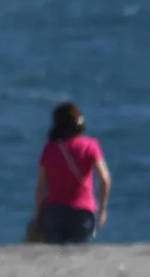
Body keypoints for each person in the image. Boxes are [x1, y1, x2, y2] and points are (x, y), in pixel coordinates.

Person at [33, 103, 111, 245]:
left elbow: (40, 187)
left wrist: (38, 215)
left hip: (53, 211)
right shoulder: (90, 146)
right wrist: (102, 210)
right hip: (82, 211)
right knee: (77, 256)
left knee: (53, 255)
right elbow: (104, 180)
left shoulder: (49, 149)